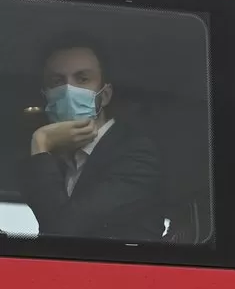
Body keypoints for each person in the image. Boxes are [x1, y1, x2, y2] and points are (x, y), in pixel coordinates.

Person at [19, 32, 164, 241]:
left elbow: (62, 232)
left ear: (104, 95)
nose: (68, 89)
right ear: (46, 96)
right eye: (57, 80)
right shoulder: (56, 162)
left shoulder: (137, 153)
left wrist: (41, 142)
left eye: (82, 78)